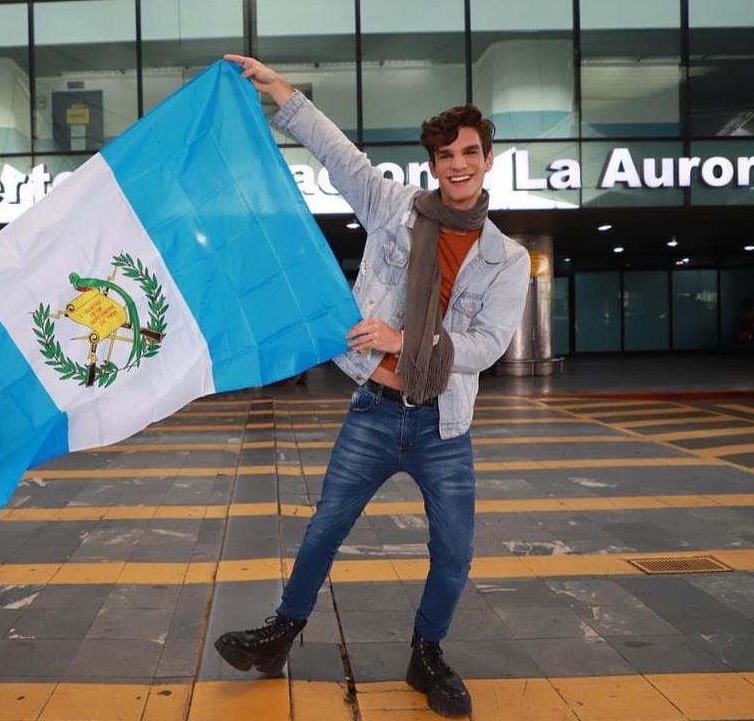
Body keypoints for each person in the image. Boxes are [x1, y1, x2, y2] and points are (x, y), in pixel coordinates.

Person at [213, 55, 530, 718]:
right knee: (324, 529)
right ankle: (280, 636)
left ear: (487, 159)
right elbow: (342, 158)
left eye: (469, 152)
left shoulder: (508, 258)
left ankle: (427, 652)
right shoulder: (394, 209)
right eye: (445, 155)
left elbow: (488, 347)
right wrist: (282, 94)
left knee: (454, 552)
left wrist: (404, 341)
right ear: (434, 164)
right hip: (374, 411)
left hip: (444, 423)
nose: (457, 164)